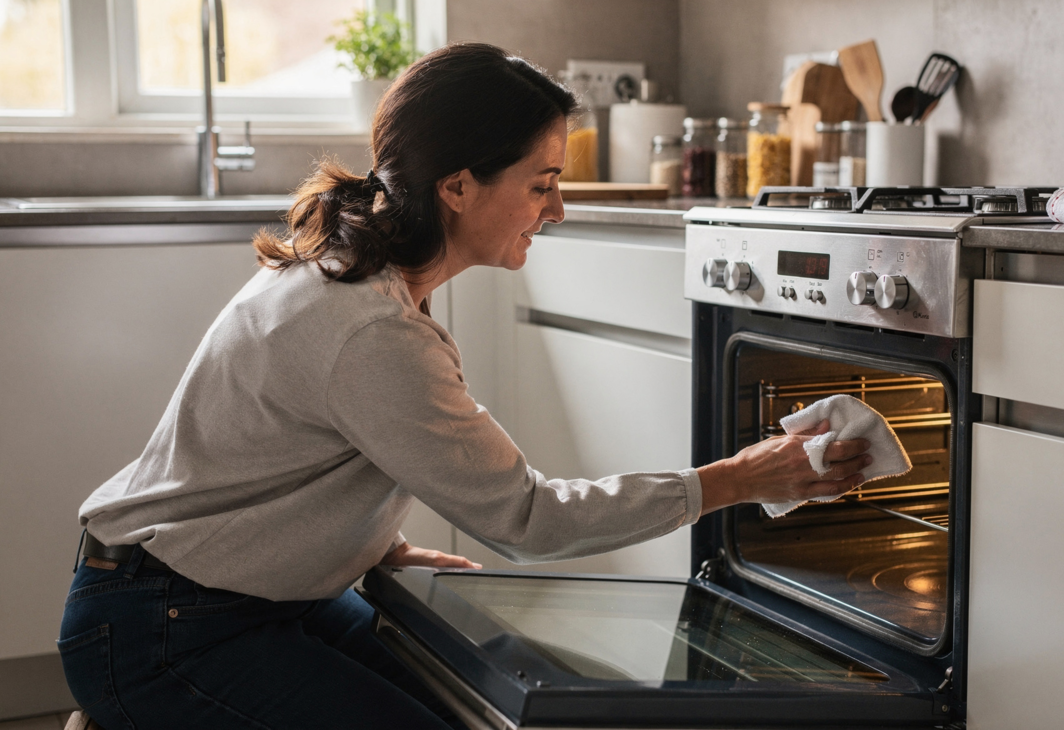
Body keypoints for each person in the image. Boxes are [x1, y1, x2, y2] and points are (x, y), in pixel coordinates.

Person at [58, 43, 873, 729]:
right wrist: (742, 477)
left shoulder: (358, 273)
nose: (556, 211)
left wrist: (364, 541)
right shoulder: (371, 327)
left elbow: (287, 453)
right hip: (165, 627)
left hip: (220, 595)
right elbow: (526, 518)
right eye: (541, 183)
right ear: (457, 186)